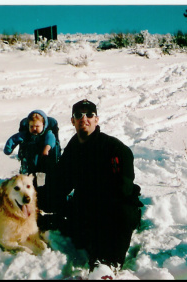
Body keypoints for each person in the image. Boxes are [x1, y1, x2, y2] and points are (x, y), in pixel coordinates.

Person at [37, 99, 143, 272]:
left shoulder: (114, 148)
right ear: (73, 121)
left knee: (119, 216)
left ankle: (108, 265)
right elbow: (60, 185)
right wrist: (32, 197)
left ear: (96, 119)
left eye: (89, 114)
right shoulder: (74, 148)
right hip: (87, 206)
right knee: (63, 218)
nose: (84, 118)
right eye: (78, 115)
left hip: (115, 207)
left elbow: (124, 187)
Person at [4, 110, 60, 177]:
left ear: (43, 125)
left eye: (37, 126)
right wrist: (9, 147)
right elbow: (14, 138)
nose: (34, 128)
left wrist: (47, 148)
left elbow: (51, 140)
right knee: (28, 173)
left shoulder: (47, 133)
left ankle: (42, 185)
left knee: (42, 175)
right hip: (29, 160)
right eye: (31, 126)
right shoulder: (26, 134)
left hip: (43, 158)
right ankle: (27, 181)